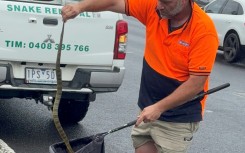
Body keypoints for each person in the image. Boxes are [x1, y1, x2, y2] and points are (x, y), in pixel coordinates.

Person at [61, 0, 218, 152]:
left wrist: (159, 108)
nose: (159, 6)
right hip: (148, 109)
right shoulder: (154, 8)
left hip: (177, 119)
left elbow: (196, 83)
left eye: (165, 2)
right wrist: (79, 7)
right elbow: (113, 2)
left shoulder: (203, 30)